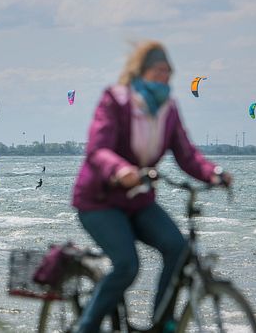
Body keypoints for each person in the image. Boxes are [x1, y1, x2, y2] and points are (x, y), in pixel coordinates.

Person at [72, 41, 231, 332]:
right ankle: (86, 327)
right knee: (127, 265)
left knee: (178, 248)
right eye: (159, 72)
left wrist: (214, 173)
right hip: (99, 201)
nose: (165, 80)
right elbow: (98, 151)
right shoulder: (116, 101)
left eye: (169, 74)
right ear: (142, 71)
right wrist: (121, 170)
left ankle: (161, 324)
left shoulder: (168, 110)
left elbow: (186, 154)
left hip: (137, 201)